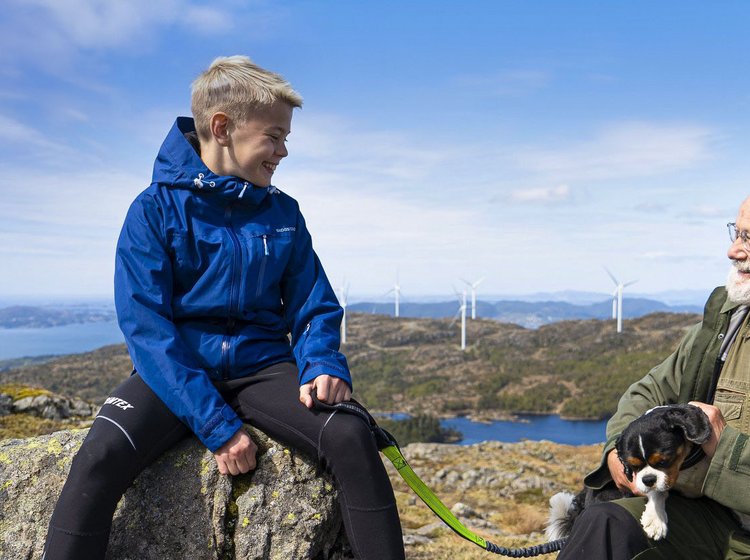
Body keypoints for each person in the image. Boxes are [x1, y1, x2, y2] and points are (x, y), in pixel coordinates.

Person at [42, 55, 405, 560]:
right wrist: (217, 428)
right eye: (273, 136)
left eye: (285, 139)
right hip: (177, 370)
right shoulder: (153, 210)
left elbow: (313, 301)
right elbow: (147, 328)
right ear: (222, 127)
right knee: (97, 457)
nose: (282, 151)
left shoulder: (283, 211)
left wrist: (322, 360)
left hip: (262, 366)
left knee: (350, 436)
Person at [558, 195, 750, 560]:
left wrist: (723, 446)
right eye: (736, 233)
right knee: (605, 524)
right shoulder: (724, 322)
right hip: (706, 516)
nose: (733, 251)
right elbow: (649, 391)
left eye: (749, 239)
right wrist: (620, 449)